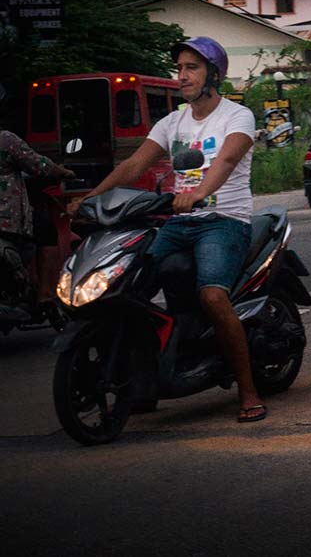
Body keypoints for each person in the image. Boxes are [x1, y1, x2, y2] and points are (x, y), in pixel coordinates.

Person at [75, 37, 267, 422]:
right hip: (179, 223)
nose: (182, 76)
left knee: (213, 296)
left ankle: (249, 392)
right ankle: (141, 381)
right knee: (128, 290)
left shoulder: (236, 116)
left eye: (191, 68)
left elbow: (227, 160)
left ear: (213, 74)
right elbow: (134, 166)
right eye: (179, 68)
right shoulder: (172, 122)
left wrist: (200, 192)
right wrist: (89, 198)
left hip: (224, 222)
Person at [0, 128, 75, 319]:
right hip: (8, 221)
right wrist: (64, 172)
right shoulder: (5, 140)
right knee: (46, 228)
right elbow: (40, 165)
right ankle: (46, 295)